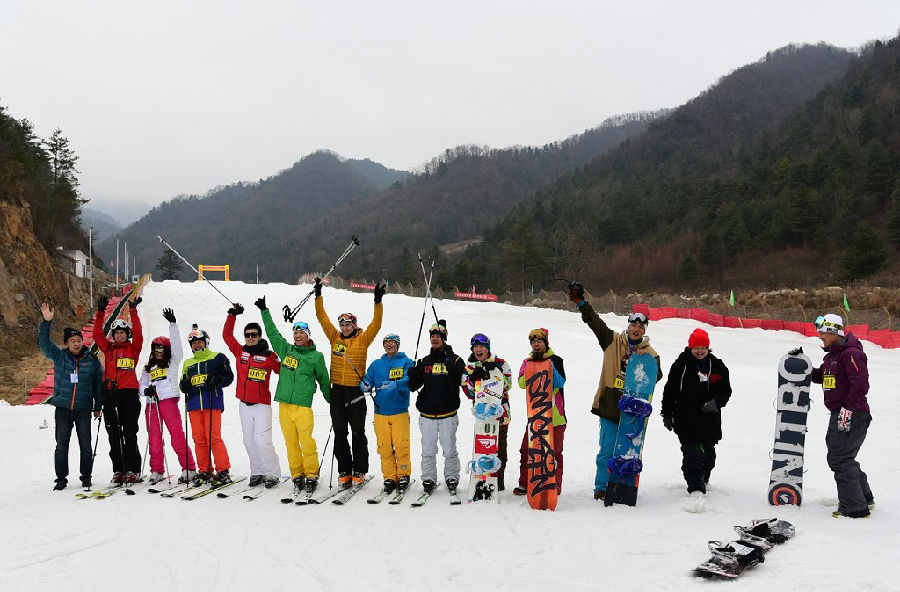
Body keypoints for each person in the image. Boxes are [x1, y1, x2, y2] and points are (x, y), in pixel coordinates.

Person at [567, 282, 662, 501]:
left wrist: (637, 371)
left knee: (629, 451)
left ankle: (623, 484)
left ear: (644, 329)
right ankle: (602, 486)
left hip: (632, 412)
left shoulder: (650, 354)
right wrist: (582, 303)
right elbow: (594, 322)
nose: (636, 329)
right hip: (610, 405)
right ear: (628, 325)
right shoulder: (611, 341)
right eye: (633, 325)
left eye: (641, 326)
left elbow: (656, 376)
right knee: (607, 450)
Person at [314, 278, 385, 487]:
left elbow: (377, 324)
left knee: (357, 432)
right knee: (339, 432)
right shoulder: (334, 338)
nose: (344, 328)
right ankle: (344, 468)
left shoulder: (363, 339)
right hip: (337, 391)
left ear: (354, 325)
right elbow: (322, 318)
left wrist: (378, 302)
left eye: (348, 324)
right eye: (342, 325)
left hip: (356, 391)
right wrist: (318, 296)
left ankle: (360, 469)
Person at [259, 297, 331, 496]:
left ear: (308, 336)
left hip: (303, 406)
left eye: (302, 333)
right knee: (290, 442)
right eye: (296, 332)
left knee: (306, 442)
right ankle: (297, 474)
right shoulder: (286, 350)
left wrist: (331, 400)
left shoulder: (316, 357)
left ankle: (311, 475)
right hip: (284, 405)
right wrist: (264, 310)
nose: (298, 335)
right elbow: (273, 334)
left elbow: (324, 380)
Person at [810, 313, 874, 518]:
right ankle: (864, 497)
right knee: (844, 457)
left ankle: (854, 507)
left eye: (823, 332)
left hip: (851, 413)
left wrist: (848, 408)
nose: (819, 335)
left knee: (839, 458)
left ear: (833, 332)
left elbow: (860, 382)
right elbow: (821, 377)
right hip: (842, 412)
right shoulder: (832, 356)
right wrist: (801, 367)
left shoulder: (850, 354)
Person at [38, 303, 103, 490]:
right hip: (63, 408)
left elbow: (98, 385)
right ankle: (61, 479)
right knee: (61, 446)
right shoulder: (60, 357)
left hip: (83, 409)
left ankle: (86, 476)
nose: (76, 343)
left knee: (86, 446)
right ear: (66, 343)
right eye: (72, 340)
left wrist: (97, 406)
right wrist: (46, 322)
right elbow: (44, 345)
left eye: (79, 340)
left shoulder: (91, 360)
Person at [660, 328, 731, 497]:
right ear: (690, 347)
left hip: (709, 421)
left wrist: (715, 403)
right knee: (692, 454)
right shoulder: (681, 365)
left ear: (708, 348)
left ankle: (703, 478)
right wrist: (667, 414)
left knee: (708, 457)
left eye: (703, 347)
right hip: (686, 420)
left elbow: (726, 390)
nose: (700, 351)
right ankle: (696, 487)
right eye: (696, 347)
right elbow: (670, 390)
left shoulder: (718, 366)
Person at [224, 302, 282, 488]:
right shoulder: (240, 351)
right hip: (244, 404)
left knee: (263, 440)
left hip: (262, 405)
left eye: (253, 335)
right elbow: (226, 336)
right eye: (247, 335)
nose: (250, 338)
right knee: (248, 440)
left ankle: (272, 473)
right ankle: (257, 471)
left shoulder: (269, 356)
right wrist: (232, 315)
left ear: (259, 336)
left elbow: (283, 371)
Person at [137, 308, 197, 484]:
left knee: (176, 435)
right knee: (154, 438)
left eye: (161, 348)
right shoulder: (148, 367)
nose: (158, 351)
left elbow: (178, 347)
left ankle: (189, 467)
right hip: (151, 404)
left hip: (168, 401)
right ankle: (156, 470)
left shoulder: (172, 362)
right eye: (156, 348)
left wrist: (173, 324)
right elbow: (141, 384)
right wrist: (145, 391)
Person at [408, 320, 466, 496]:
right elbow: (413, 386)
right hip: (427, 415)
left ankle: (452, 477)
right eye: (432, 336)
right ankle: (428, 478)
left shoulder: (455, 360)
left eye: (438, 336)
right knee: (428, 450)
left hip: (448, 414)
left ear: (444, 338)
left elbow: (462, 380)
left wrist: (452, 363)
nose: (434, 339)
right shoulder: (425, 361)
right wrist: (413, 374)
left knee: (449, 449)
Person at [93, 294, 144, 483]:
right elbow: (97, 335)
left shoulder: (133, 348)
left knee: (129, 433)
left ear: (127, 334)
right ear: (113, 335)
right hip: (111, 394)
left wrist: (133, 311)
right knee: (113, 434)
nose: (120, 335)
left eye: (123, 332)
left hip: (129, 394)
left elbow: (138, 333)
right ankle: (119, 470)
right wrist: (100, 313)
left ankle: (133, 469)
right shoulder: (109, 349)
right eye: (117, 333)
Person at [360, 333, 416, 497]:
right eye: (386, 342)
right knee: (384, 447)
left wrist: (396, 384)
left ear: (398, 345)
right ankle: (390, 477)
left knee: (401, 446)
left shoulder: (406, 362)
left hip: (399, 412)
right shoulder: (376, 364)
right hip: (380, 413)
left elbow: (409, 380)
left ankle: (404, 475)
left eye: (392, 342)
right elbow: (366, 380)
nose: (389, 345)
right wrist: (365, 385)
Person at [513, 328, 566, 496]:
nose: (536, 344)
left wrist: (547, 365)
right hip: (535, 416)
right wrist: (531, 368)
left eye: (539, 341)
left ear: (545, 343)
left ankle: (555, 484)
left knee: (554, 453)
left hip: (555, 417)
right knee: (527, 450)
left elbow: (560, 382)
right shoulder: (527, 361)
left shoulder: (555, 359)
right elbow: (521, 383)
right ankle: (525, 483)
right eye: (533, 342)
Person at [179, 324, 234, 485]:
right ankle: (204, 470)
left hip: (212, 403)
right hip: (194, 405)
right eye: (194, 343)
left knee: (213, 438)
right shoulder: (188, 363)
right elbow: (183, 382)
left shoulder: (217, 357)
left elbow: (228, 377)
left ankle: (223, 470)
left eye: (200, 342)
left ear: (206, 342)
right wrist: (184, 386)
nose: (197, 345)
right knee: (199, 440)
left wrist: (217, 379)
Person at [462, 333, 512, 490]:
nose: (478, 350)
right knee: (484, 445)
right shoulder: (469, 368)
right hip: (482, 414)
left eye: (481, 347)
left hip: (501, 413)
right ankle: (482, 478)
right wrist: (475, 380)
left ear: (487, 348)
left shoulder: (501, 363)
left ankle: (499, 480)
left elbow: (508, 385)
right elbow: (467, 391)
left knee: (500, 447)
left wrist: (493, 374)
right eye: (475, 347)